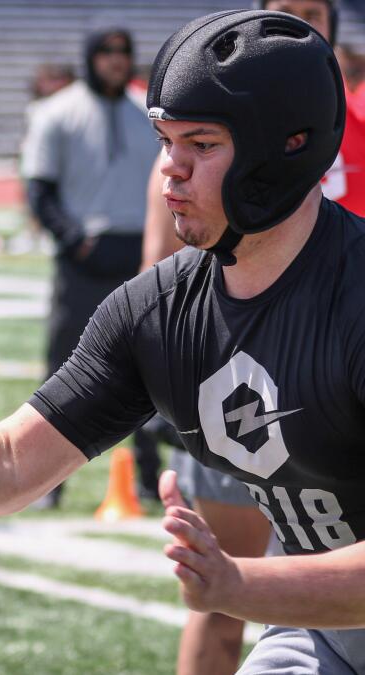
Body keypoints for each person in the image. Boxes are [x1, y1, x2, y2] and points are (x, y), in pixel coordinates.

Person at [0, 10, 365, 673]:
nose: (170, 170)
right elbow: (7, 465)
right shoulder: (159, 311)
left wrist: (238, 584)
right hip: (325, 627)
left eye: (201, 144)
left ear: (285, 147)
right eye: (165, 140)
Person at [137, 3, 350, 673]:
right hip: (235, 384)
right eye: (282, 8)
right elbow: (160, 274)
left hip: (339, 376)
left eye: (311, 10)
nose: (295, 22)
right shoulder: (203, 142)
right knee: (217, 599)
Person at [20, 25, 161, 507]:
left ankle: (149, 479)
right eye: (106, 52)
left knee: (150, 370)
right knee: (64, 370)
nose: (116, 60)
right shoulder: (57, 113)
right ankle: (46, 484)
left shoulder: (148, 114)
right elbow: (39, 189)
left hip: (140, 259)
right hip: (83, 261)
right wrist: (74, 239)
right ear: (90, 56)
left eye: (123, 52)